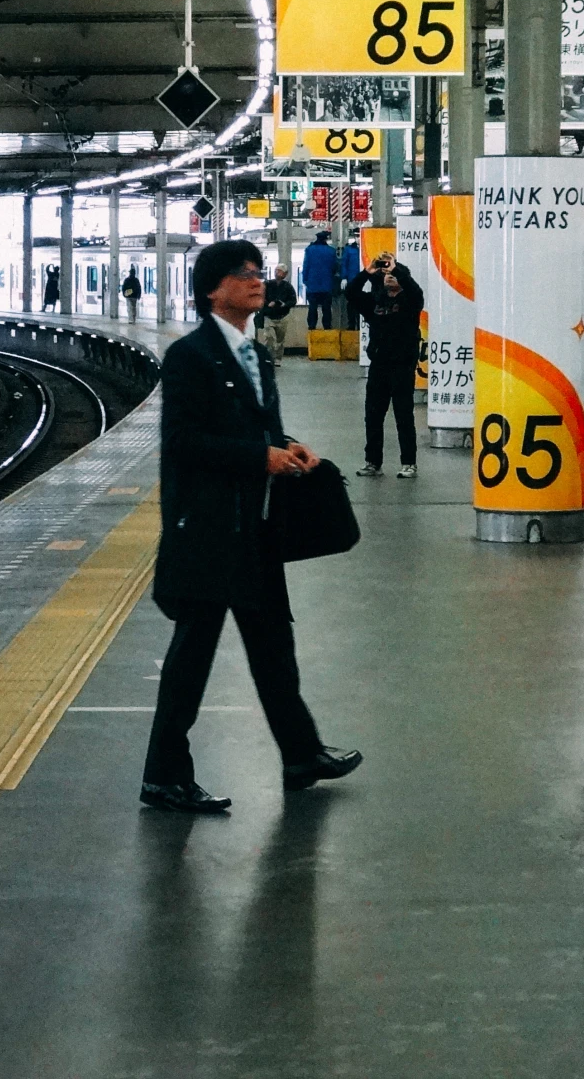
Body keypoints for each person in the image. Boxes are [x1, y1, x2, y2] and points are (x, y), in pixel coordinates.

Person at [140, 238, 361, 815]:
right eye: (243, 275)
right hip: (210, 530)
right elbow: (183, 442)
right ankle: (164, 775)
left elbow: (262, 431)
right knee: (192, 656)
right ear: (214, 290)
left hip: (255, 528)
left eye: (258, 272)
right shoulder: (189, 356)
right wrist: (257, 458)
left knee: (272, 646)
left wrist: (289, 449)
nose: (257, 282)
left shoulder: (257, 355)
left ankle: (301, 754)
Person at [346, 253, 426, 478]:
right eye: (386, 274)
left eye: (394, 274)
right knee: (372, 415)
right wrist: (367, 272)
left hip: (402, 366)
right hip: (379, 365)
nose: (389, 277)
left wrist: (397, 269)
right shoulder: (375, 303)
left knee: (403, 415)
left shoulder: (410, 302)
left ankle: (409, 462)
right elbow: (351, 293)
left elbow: (416, 291)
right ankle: (373, 462)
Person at [301, 231, 338, 330]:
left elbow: (306, 266)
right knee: (326, 308)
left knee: (312, 307)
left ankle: (312, 327)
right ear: (326, 239)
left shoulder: (309, 250)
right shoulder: (331, 251)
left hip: (312, 285)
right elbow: (334, 267)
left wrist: (305, 281)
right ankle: (327, 327)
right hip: (327, 285)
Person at [259, 264, 298, 358]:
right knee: (268, 337)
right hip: (269, 316)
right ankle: (268, 357)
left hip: (282, 316)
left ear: (285, 274)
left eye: (280, 271)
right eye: (277, 270)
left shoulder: (288, 287)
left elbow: (293, 301)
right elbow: (260, 295)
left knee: (280, 340)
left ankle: (278, 358)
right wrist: (267, 303)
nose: (277, 273)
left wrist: (285, 304)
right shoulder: (267, 284)